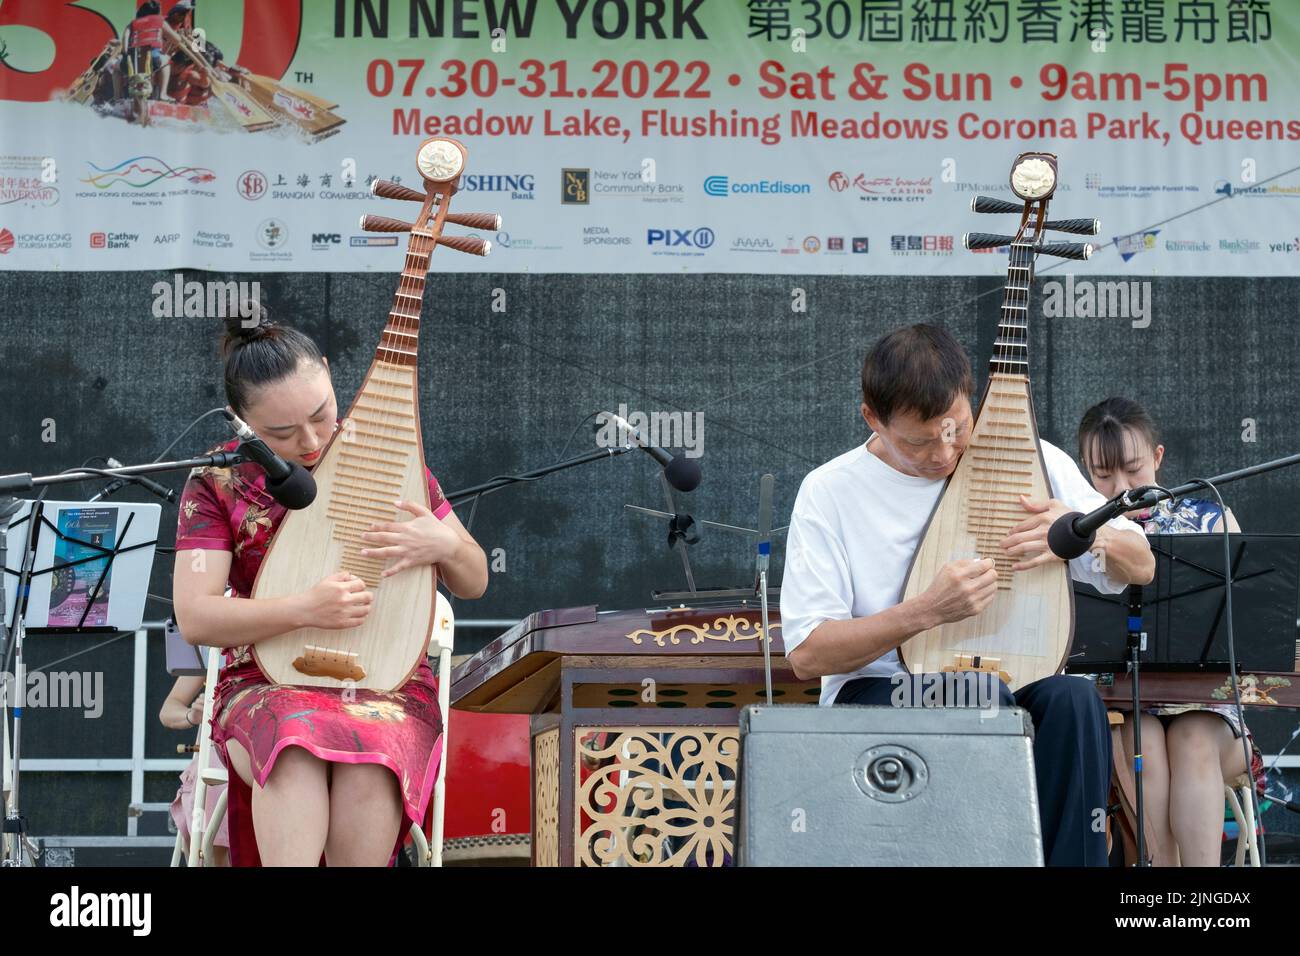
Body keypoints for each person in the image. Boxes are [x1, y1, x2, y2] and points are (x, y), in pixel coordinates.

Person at [780, 324, 1155, 866]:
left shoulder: (1033, 459)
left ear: (971, 397)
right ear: (872, 419)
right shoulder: (831, 490)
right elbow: (809, 655)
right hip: (884, 692)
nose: (944, 451)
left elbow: (1141, 564)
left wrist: (1080, 532)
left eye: (956, 427)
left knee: (1072, 701)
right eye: (919, 440)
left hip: (1010, 682)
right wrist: (926, 611)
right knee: (978, 699)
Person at [171, 303, 488, 866]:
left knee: (370, 755)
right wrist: (304, 608)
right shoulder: (216, 481)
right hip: (266, 679)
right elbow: (197, 617)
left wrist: (444, 547)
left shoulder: (387, 458)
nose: (313, 441)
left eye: (321, 415)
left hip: (384, 683)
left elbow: (475, 579)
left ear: (327, 370)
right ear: (241, 424)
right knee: (292, 744)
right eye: (282, 433)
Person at [1077, 396, 1264, 866]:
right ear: (1084, 469)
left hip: (1213, 719)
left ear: (1158, 458)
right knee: (1145, 744)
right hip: (1125, 708)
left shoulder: (1211, 517)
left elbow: (1248, 622)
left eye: (1134, 470)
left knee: (1193, 738)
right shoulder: (1080, 532)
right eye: (1102, 475)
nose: (1121, 488)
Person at [160, 675, 229, 866]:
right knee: (208, 786)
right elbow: (168, 709)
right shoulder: (210, 649)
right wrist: (192, 715)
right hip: (220, 753)